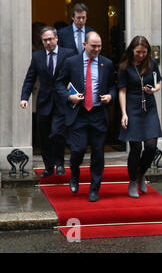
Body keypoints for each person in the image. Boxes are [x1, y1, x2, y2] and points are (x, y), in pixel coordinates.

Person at [56, 31, 116, 202]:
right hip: (79, 113)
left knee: (98, 153)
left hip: (98, 113)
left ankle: (94, 188)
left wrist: (110, 96)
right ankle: (74, 173)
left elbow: (112, 86)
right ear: (84, 45)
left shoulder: (107, 63)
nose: (97, 49)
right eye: (93, 46)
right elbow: (59, 83)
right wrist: (69, 97)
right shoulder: (71, 62)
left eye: (99, 46)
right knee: (78, 149)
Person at [20, 26, 76, 177]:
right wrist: (24, 97)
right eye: (45, 40)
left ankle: (59, 163)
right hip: (44, 101)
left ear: (56, 39)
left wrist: (76, 95)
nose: (48, 42)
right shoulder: (37, 56)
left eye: (51, 39)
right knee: (44, 136)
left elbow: (75, 75)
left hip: (62, 101)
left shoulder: (68, 54)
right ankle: (48, 166)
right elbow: (30, 79)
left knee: (58, 133)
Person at [118, 36, 162, 198]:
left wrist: (154, 90)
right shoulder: (125, 66)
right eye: (138, 52)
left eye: (144, 52)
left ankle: (141, 174)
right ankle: (131, 181)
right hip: (132, 107)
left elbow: (158, 82)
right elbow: (122, 90)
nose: (141, 55)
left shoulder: (152, 64)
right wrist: (124, 113)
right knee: (135, 147)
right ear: (132, 50)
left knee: (151, 146)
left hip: (149, 107)